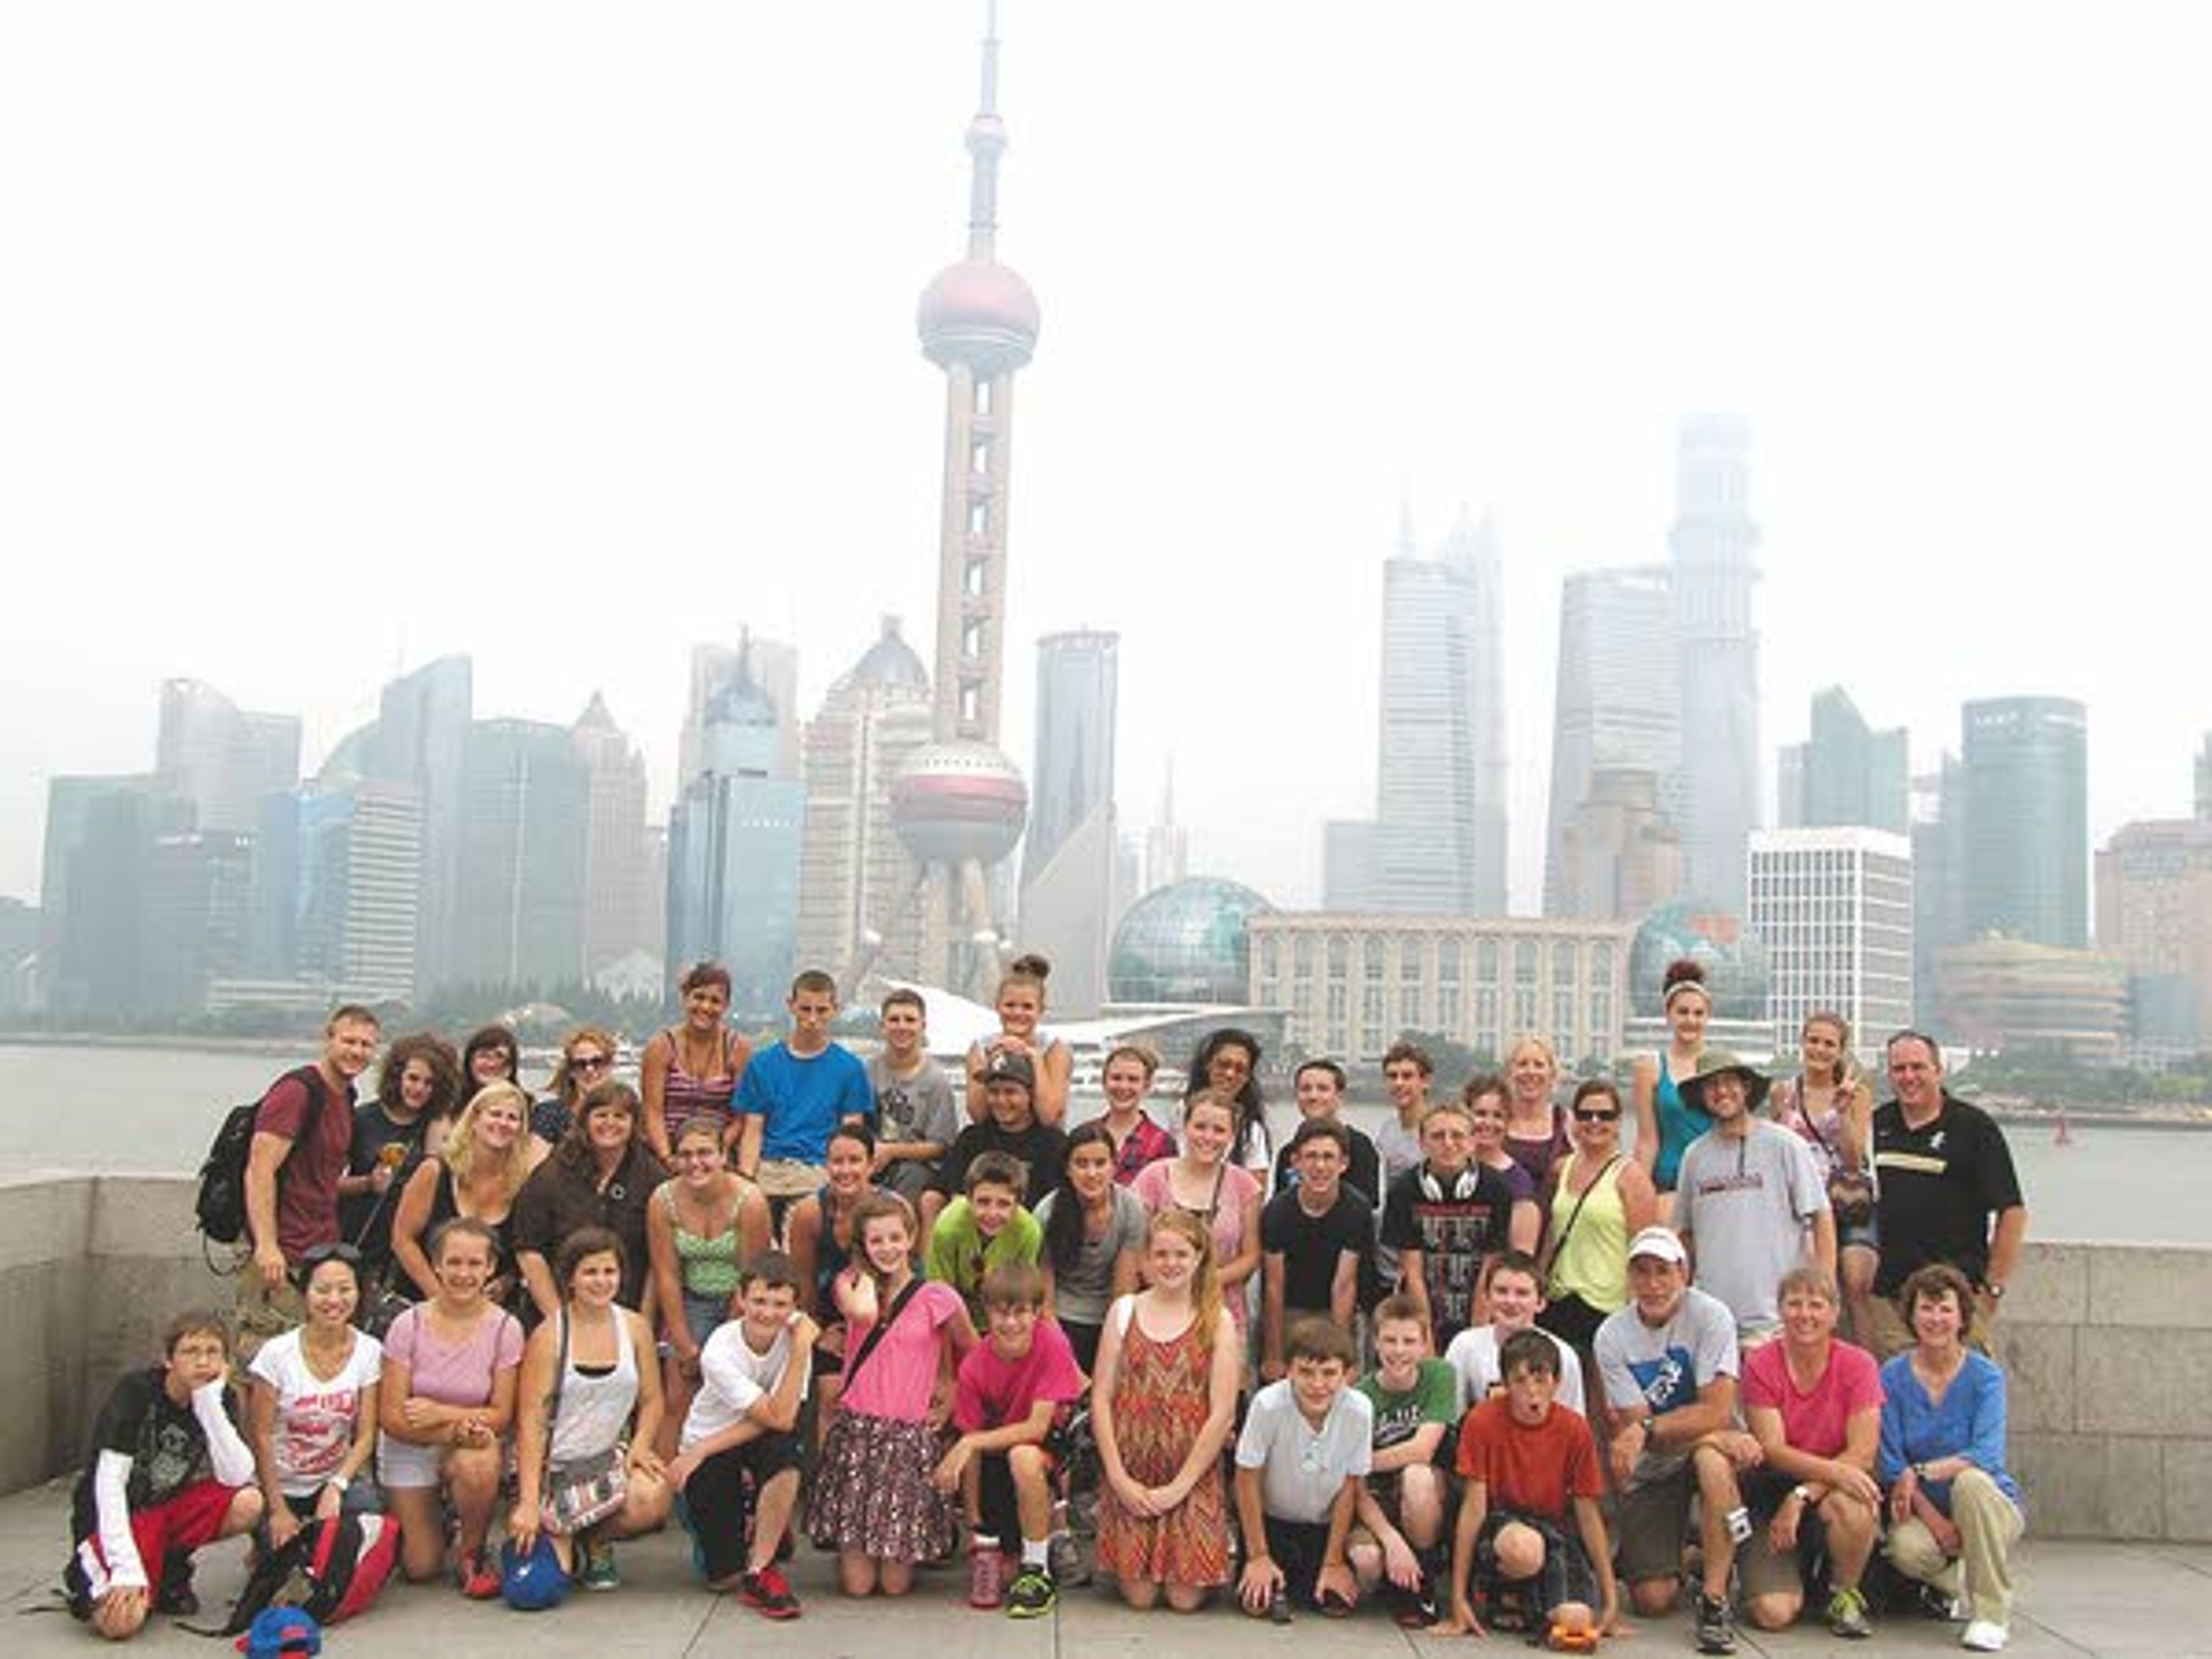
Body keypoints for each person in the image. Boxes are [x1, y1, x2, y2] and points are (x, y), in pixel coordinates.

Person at [805, 1192, 979, 1597]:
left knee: (895, 1586)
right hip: (861, 1432)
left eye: (895, 1238)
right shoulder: (849, 1284)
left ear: (912, 1239)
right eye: (876, 1241)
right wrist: (865, 1273)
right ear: (862, 1247)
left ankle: (904, 1543)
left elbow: (972, 1350)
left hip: (908, 1435)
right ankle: (855, 1545)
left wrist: (950, 1387)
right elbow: (864, 1315)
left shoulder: (939, 1297)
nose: (888, 1249)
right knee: (860, 1587)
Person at [1593, 1226, 1758, 1654]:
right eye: (1642, 1273)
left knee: (1711, 1460)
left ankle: (1716, 1600)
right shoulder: (1611, 1335)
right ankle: (1693, 1555)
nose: (1652, 1284)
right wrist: (1696, 1428)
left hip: (1714, 1452)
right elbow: (1644, 1432)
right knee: (1651, 1600)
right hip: (1659, 1465)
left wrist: (1661, 1429)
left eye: (1663, 1271)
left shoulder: (1712, 1315)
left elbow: (1717, 1410)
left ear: (1683, 1272)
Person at [63, 1312, 263, 1639]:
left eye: (213, 1352)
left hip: (164, 1510)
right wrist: (125, 1568)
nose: (202, 1361)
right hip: (116, 1518)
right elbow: (109, 1482)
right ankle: (97, 1576)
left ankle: (170, 1570)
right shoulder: (135, 1392)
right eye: (190, 1352)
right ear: (168, 1359)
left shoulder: (218, 1397)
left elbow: (236, 1474)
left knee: (249, 1502)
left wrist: (209, 1403)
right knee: (119, 1625)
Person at [1092, 1210, 1240, 1611]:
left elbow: (1223, 1412)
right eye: (1161, 1254)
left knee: (1184, 1599)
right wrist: (1118, 1478)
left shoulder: (1219, 1321)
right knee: (1140, 1599)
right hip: (1133, 1466)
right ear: (1146, 1260)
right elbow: (1101, 1398)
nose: (1171, 1264)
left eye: (1181, 1254)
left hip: (1190, 1472)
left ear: (1198, 1259)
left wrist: (1181, 1486)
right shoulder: (1124, 1311)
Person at [509, 1228, 673, 1590]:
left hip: (605, 1462)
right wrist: (529, 1501)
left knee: (654, 1495)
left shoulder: (635, 1327)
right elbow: (531, 1422)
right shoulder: (549, 1336)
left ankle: (594, 1538)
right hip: (554, 1472)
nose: (601, 1282)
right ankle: (562, 1537)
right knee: (536, 1590)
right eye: (590, 1273)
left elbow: (652, 1400)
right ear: (570, 1279)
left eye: (609, 1272)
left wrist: (642, 1446)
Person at [1435, 1328, 1623, 1642]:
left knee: (1577, 1620)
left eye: (1541, 1380)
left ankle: (1526, 1606)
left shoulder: (1575, 1430)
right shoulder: (1482, 1421)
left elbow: (1588, 1515)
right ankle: (1500, 1593)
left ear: (1557, 1383)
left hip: (1554, 1531)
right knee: (1524, 1549)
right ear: (1506, 1385)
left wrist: (1611, 1600)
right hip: (1501, 1527)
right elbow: (1474, 1510)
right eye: (1520, 1381)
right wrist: (1458, 1598)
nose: (1532, 1392)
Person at [1878, 1263, 2025, 1654]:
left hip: (1988, 1504)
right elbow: (1892, 1464)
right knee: (1905, 1550)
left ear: (1962, 1317)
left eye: (1945, 1309)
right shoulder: (1892, 1376)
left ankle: (1991, 1616)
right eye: (1926, 1308)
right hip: (1927, 1511)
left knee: (1971, 1482)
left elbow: (1986, 1456)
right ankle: (1956, 1577)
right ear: (1911, 1315)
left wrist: (1922, 1471)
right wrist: (1934, 1520)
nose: (1936, 1319)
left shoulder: (1985, 1377)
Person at [668, 1252, 819, 1619]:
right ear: (740, 1299)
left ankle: (761, 1569)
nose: (768, 1313)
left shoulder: (797, 1341)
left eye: (781, 1304)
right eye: (759, 1302)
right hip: (714, 1440)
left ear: (795, 1306)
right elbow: (774, 1414)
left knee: (787, 1450)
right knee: (722, 1578)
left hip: (760, 1434)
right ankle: (753, 1518)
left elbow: (782, 1419)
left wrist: (801, 1347)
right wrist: (700, 1449)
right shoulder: (720, 1348)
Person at [376, 1218, 523, 1593]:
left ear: (490, 1268)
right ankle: (436, 1519)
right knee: (421, 1566)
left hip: (467, 1441)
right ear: (436, 1264)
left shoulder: (506, 1328)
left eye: (475, 1264)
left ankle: (472, 1551)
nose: (464, 1273)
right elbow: (393, 1418)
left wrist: (446, 1417)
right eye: (454, 1262)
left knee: (480, 1459)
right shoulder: (407, 1324)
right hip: (410, 1442)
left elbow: (502, 1413)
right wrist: (454, 1428)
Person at [1738, 1266, 1884, 1640]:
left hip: (1824, 1493)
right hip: (1771, 1494)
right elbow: (1772, 1448)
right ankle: (1783, 1571)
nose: (1805, 1315)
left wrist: (1803, 1495)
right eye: (1795, 1304)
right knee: (1773, 1614)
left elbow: (1863, 1453)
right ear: (1780, 1310)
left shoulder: (1859, 1365)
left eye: (1817, 1305)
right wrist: (1799, 1491)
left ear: (1835, 1315)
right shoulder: (1761, 1363)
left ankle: (1843, 1594)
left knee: (1855, 1500)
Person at [935, 1262, 1088, 1618]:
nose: (1011, 1323)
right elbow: (970, 1443)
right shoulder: (974, 1365)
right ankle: (1020, 1544)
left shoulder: (1052, 1341)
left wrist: (971, 1444)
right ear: (986, 1314)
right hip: (995, 1452)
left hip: (1047, 1441)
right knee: (999, 1573)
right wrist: (974, 1523)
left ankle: (1038, 1571)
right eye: (1001, 1313)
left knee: (1023, 1456)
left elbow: (1037, 1428)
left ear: (1037, 1313)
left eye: (1021, 1313)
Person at [1869, 1031, 2029, 1359]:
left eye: (1918, 1067)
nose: (1909, 1077)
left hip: (1955, 1303)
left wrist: (1992, 1291)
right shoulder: (1877, 1124)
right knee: (1899, 1407)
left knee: (1960, 1404)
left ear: (1939, 1071)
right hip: (1891, 1303)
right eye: (1899, 1069)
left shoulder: (1974, 1128)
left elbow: (2012, 1212)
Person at [238, 1005, 381, 1363]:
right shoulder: (298, 1092)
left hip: (320, 1250)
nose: (357, 1052)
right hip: (282, 1253)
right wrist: (267, 1246)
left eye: (366, 1045)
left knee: (307, 1363)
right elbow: (259, 1170)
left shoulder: (345, 1098)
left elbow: (321, 1181)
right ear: (328, 1039)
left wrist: (366, 1184)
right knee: (261, 1359)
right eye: (349, 1041)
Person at [1672, 1050, 1836, 1342]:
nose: (1722, 1092)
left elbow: (1821, 1217)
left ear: (1746, 1088)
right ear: (1702, 1095)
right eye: (1712, 1085)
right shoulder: (1694, 1156)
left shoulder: (1786, 1145)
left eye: (1729, 1082)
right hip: (1712, 1321)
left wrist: (1824, 1290)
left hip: (1777, 1321)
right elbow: (1686, 1235)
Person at [646, 1118, 772, 1457]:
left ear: (723, 1155)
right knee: (678, 1393)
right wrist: (684, 1342)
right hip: (691, 1297)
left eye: (705, 1153)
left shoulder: (750, 1201)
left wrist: (722, 1344)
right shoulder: (663, 1200)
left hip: (741, 1303)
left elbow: (752, 1279)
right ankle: (666, 1489)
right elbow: (667, 1274)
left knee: (730, 1392)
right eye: (685, 1155)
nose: (695, 1163)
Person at [246, 1244, 383, 1551]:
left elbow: (366, 1435)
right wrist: (278, 1510)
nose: (334, 1300)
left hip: (331, 1479)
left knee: (368, 1520)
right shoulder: (276, 1355)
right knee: (282, 1556)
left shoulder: (370, 1350)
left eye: (345, 1289)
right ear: (305, 1294)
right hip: (281, 1485)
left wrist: (338, 1485)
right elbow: (261, 1436)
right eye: (323, 1290)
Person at [1233, 1317, 1371, 1620]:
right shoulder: (1267, 1405)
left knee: (1332, 1601)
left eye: (1330, 1373)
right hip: (1271, 1523)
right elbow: (1246, 1479)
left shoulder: (1360, 1410)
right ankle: (1264, 1565)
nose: (1318, 1384)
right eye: (1306, 1372)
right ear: (1288, 1371)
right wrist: (1258, 1555)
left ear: (1349, 1374)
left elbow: (1351, 1485)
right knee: (1257, 1603)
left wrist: (1334, 1560)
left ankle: (1322, 1569)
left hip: (1324, 1527)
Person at [512, 1078, 669, 1328]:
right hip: (558, 1306)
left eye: (620, 1116)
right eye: (601, 1115)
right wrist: (558, 1319)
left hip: (627, 1308)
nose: (610, 1123)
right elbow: (528, 1249)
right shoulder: (552, 1173)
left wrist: (644, 1322)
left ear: (634, 1124)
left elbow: (659, 1259)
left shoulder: (652, 1177)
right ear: (585, 1120)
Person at [1767, 1010, 1880, 1341]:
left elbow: (1854, 1156)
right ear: (1802, 1043)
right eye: (1813, 1041)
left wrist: (1843, 1111)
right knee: (1807, 1286)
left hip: (1845, 1199)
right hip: (1799, 1202)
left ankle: (1867, 1373)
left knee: (1856, 1280)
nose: (1820, 1050)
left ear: (1840, 1051)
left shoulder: (1857, 1093)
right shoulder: (1783, 1092)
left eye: (1829, 1044)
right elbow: (1775, 1149)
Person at [734, 970, 876, 1233]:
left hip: (819, 1171)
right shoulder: (762, 1065)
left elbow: (851, 1136)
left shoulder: (850, 1069)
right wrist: (746, 1182)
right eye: (805, 1009)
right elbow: (752, 1131)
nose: (812, 1019)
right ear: (791, 1006)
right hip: (770, 1168)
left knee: (797, 1230)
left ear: (835, 1009)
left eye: (821, 1011)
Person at [1346, 1294, 1455, 1626]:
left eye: (1410, 1341)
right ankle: (1391, 1578)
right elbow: (1355, 1484)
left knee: (1416, 1475)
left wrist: (1365, 1460)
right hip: (1378, 1502)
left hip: (1425, 1497)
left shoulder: (1440, 1375)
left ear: (1424, 1346)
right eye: (1390, 1340)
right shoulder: (1361, 1397)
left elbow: (1422, 1450)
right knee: (1366, 1562)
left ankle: (1421, 1580)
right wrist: (1391, 1540)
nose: (1399, 1350)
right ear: (1375, 1344)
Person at [1380, 1099, 1519, 1354]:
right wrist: (1426, 1339)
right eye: (1438, 1136)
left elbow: (1491, 1268)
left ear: (1472, 1141)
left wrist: (1476, 1339)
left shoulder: (1496, 1189)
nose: (1448, 1144)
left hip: (1478, 1306)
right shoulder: (1404, 1190)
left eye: (1457, 1135)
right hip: (1424, 1311)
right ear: (1422, 1143)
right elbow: (1413, 1273)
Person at [1130, 1090, 1263, 1340]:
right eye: (1200, 1127)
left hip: (1224, 1313)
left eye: (1219, 1130)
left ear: (1231, 1137)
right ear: (1185, 1128)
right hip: (1159, 1310)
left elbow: (1251, 1256)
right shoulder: (1153, 1178)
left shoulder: (1245, 1186)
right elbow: (1137, 1247)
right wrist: (1167, 1283)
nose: (1208, 1137)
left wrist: (1207, 1281)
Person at [1538, 1078, 1658, 1354]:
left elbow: (1642, 1250)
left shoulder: (1631, 1176)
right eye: (1585, 1115)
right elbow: (1551, 1235)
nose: (1594, 1122)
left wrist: (1637, 1313)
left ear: (1618, 1123)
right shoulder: (1561, 1169)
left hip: (1607, 1304)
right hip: (1560, 1297)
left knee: (1600, 1391)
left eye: (1605, 1116)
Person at [389, 1080, 533, 1309]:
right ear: (474, 1119)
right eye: (495, 1114)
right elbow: (402, 1239)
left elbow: (523, 1252)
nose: (503, 1124)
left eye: (512, 1118)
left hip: (488, 1313)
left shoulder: (521, 1184)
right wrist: (440, 1299)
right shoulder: (435, 1171)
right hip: (421, 1305)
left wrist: (506, 1283)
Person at [339, 1032, 460, 1282]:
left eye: (430, 1083)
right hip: (361, 1237)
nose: (419, 1089)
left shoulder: (436, 1125)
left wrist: (439, 1122)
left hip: (411, 1249)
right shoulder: (362, 1119)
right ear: (397, 1076)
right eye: (413, 1079)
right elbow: (327, 1184)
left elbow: (439, 1173)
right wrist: (368, 1183)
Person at [1259, 1118, 1370, 1383]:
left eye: (1328, 1157)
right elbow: (1274, 1286)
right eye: (1311, 1157)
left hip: (1336, 1307)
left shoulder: (1356, 1209)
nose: (1320, 1166)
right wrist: (1273, 1354)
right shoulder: (1277, 1211)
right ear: (1296, 1162)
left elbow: (1344, 1285)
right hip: (1291, 1306)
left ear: (1343, 1163)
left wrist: (1341, 1354)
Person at [783, 1120, 878, 1421]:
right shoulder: (809, 1214)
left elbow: (899, 1285)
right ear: (826, 1165)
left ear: (872, 1165)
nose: (845, 1170)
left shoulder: (891, 1210)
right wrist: (820, 1333)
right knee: (830, 1389)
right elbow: (803, 1281)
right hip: (827, 1321)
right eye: (837, 1161)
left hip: (880, 1319)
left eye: (855, 1161)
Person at [1033, 1123, 1146, 1374]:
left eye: (1100, 1163)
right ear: (1068, 1169)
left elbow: (1123, 1297)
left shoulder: (1131, 1209)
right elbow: (1045, 1305)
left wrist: (1107, 1363)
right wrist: (1068, 1364)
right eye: (1082, 1164)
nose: (1092, 1173)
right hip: (1061, 1318)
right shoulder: (1047, 1213)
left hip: (1108, 1317)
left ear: (1114, 1166)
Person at [932, 1048, 1070, 1228]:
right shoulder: (971, 1139)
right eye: (994, 1092)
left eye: (1010, 1092)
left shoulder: (1053, 1143)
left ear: (1030, 1094)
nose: (1001, 1100)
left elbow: (1058, 1207)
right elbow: (953, 1193)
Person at [1444, 1249, 1586, 1415]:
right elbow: (1451, 1417)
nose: (1511, 1301)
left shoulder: (1563, 1355)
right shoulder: (1464, 1346)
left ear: (1541, 1302)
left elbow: (1572, 1423)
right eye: (1501, 1291)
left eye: (1522, 1293)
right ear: (1486, 1298)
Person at [641, 961, 753, 1165]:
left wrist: (719, 1150)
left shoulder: (739, 1048)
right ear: (685, 998)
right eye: (699, 997)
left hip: (719, 1150)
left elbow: (741, 1117)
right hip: (669, 1149)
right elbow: (653, 1112)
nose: (705, 1007)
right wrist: (668, 1157)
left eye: (715, 1001)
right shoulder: (661, 1047)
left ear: (726, 1005)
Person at [1631, 958, 1713, 1210]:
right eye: (1683, 1012)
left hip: (1712, 1181)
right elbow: (1647, 1140)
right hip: (1666, 1182)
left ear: (1708, 1017)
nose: (1691, 1021)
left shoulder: (1719, 1067)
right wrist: (1639, 1195)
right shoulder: (1649, 1068)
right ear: (1669, 1014)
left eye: (1698, 1014)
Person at [924, 1152, 1044, 1324]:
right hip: (956, 1316)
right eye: (983, 1202)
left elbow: (1021, 1291)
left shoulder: (1029, 1231)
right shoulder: (948, 1227)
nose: (992, 1214)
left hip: (1004, 1316)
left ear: (1019, 1204)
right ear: (969, 1198)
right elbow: (940, 1293)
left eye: (1004, 1204)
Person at [868, 987, 960, 1204]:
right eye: (894, 1020)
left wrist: (892, 1151)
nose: (902, 1027)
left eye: (910, 1020)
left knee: (912, 1176)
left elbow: (940, 1146)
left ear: (923, 1027)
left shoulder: (936, 1080)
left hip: (915, 1168)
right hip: (871, 1162)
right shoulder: (867, 1072)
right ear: (882, 1026)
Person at [965, 953, 1074, 1128]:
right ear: (998, 1006)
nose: (1017, 1013)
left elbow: (1049, 1116)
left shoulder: (1055, 1049)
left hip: (1044, 1146)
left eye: (1027, 1007)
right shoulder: (981, 1048)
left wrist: (1034, 1058)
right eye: (1010, 1005)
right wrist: (991, 1062)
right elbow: (978, 1115)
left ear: (1041, 1010)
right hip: (994, 1143)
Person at [1270, 1058, 1380, 1203]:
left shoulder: (1359, 1147)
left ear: (1339, 1096)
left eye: (1323, 1089)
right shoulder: (1288, 1153)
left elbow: (1366, 1209)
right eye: (1306, 1089)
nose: (1313, 1096)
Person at [1464, 1074, 1545, 1253]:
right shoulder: (1448, 1168)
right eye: (1481, 1114)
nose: (1488, 1123)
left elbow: (1521, 1256)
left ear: (1509, 1123)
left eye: (1498, 1116)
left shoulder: (1518, 1182)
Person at [1086, 1043, 1177, 1184]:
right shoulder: (1085, 1134)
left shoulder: (1162, 1143)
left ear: (1147, 1086)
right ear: (1104, 1082)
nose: (1123, 1087)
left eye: (1133, 1080)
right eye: (1116, 1078)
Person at [1502, 1036, 1575, 1211]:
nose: (1530, 1072)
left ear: (1552, 1074)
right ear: (1509, 1073)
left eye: (1539, 1065)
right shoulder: (1494, 1122)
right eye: (1522, 1064)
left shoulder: (1568, 1122)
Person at [529, 1027, 619, 1165]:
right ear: (571, 1071)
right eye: (581, 1064)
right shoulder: (548, 1115)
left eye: (597, 1062)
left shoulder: (627, 1113)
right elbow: (535, 1169)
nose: (590, 1070)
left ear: (610, 1065)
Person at [1187, 1027, 1270, 1175]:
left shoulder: (1252, 1131)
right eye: (1224, 1064)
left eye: (1240, 1069)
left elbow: (1256, 1191)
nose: (1230, 1074)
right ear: (1208, 1065)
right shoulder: (1181, 1112)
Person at [1374, 1041, 1434, 1194]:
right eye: (1392, 1077)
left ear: (1425, 1081)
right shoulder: (1388, 1130)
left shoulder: (1440, 1131)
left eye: (1407, 1076)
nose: (1399, 1083)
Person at [459, 1024, 522, 1101]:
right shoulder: (451, 1104)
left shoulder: (529, 1107)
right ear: (470, 1061)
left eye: (500, 1057)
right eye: (484, 1056)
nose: (491, 1064)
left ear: (511, 1066)